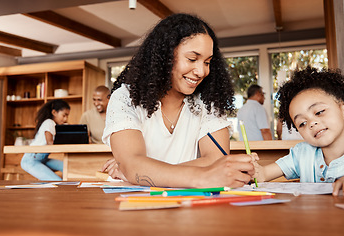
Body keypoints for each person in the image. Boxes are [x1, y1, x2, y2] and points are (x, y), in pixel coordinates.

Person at [101, 13, 256, 188]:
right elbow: (133, 164)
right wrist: (135, 170)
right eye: (192, 59)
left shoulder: (207, 102)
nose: (201, 71)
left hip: (188, 206)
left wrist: (140, 173)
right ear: (164, 56)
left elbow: (216, 160)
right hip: (133, 204)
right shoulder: (125, 98)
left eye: (207, 62)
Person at [254, 67, 344, 197]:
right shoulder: (301, 154)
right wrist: (253, 170)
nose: (311, 123)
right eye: (302, 123)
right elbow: (264, 174)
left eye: (319, 112)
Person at [21, 99, 70, 180]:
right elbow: (50, 143)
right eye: (64, 115)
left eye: (67, 116)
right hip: (31, 159)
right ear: (54, 112)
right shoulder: (49, 122)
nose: (65, 119)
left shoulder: (53, 124)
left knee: (67, 166)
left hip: (42, 159)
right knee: (57, 181)